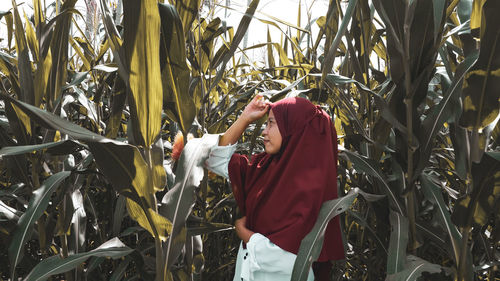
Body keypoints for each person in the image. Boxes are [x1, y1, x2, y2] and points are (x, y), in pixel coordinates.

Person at [206, 94, 345, 281]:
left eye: (271, 123)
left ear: (293, 129)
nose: (264, 131)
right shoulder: (263, 168)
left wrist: (247, 236)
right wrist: (245, 117)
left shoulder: (309, 191)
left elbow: (294, 261)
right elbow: (212, 158)